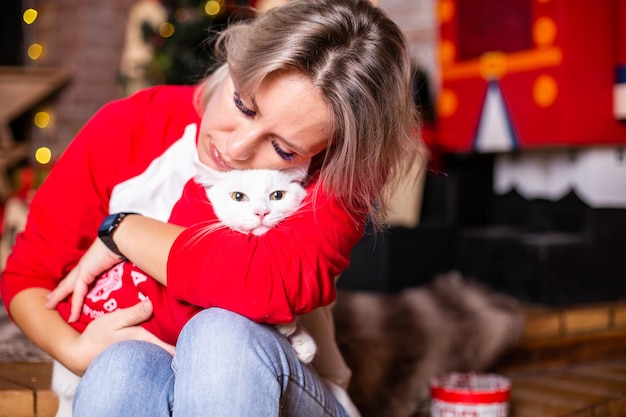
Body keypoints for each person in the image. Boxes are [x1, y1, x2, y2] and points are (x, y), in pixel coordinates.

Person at [0, 0, 421, 415]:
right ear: (234, 60)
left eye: (282, 149)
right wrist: (74, 350)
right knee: (119, 368)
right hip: (134, 374)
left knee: (222, 335)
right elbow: (28, 277)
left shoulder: (338, 169)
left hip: (284, 392)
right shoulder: (129, 126)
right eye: (242, 105)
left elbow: (261, 283)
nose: (235, 148)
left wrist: (123, 231)